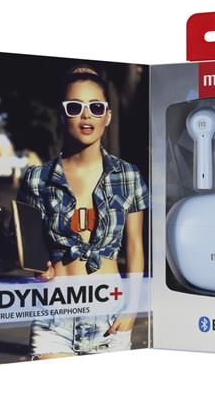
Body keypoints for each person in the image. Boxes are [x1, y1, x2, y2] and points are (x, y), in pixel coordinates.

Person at [16, 65, 149, 359]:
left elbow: (135, 246)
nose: (86, 115)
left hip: (110, 316)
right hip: (54, 318)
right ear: (63, 114)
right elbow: (30, 247)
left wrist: (132, 307)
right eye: (75, 107)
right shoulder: (36, 179)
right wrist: (38, 269)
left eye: (96, 107)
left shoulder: (128, 176)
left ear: (107, 116)